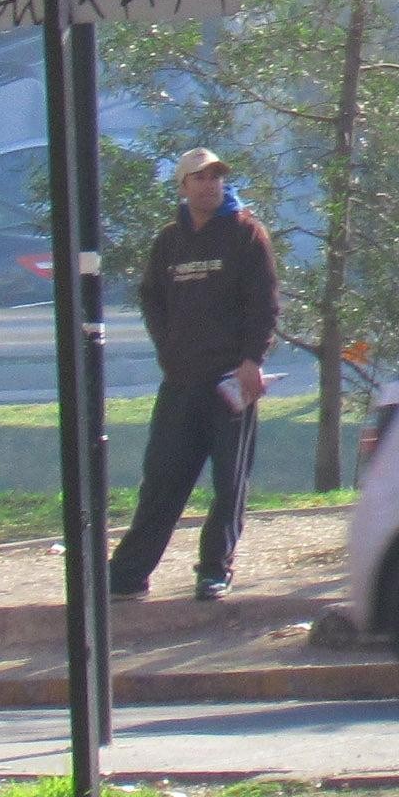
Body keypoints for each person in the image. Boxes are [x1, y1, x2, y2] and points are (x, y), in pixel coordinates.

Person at [107, 149, 277, 601]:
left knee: (228, 483)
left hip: (230, 382)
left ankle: (214, 570)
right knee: (162, 479)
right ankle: (128, 574)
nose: (209, 185)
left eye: (216, 177)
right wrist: (168, 346)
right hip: (181, 382)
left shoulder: (246, 234)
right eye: (199, 178)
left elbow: (263, 303)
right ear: (182, 186)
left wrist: (251, 360)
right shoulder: (170, 240)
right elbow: (151, 298)